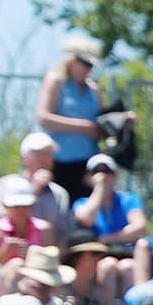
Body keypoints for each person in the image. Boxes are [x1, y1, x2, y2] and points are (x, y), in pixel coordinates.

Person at [35, 38, 113, 200]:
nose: (88, 69)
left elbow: (99, 127)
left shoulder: (94, 90)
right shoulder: (56, 81)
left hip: (87, 166)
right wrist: (84, 127)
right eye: (85, 63)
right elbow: (44, 118)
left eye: (91, 65)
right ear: (71, 60)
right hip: (59, 164)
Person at [0, 134, 72, 244]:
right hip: (10, 253)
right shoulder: (5, 184)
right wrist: (33, 190)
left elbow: (62, 233)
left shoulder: (59, 193)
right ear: (23, 157)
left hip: (45, 254)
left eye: (49, 154)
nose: (44, 159)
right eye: (39, 154)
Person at [70, 154, 146, 253]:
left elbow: (140, 227)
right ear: (88, 178)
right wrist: (99, 188)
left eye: (107, 171)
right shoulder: (81, 203)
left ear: (115, 176)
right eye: (96, 172)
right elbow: (86, 219)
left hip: (125, 252)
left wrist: (107, 239)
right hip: (95, 255)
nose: (102, 176)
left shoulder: (129, 199)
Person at [0, 181, 52, 278]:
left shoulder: (44, 228)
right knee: (16, 264)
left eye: (25, 206)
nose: (20, 210)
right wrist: (4, 252)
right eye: (16, 206)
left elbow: (51, 263)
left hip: (36, 278)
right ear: (6, 207)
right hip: (3, 282)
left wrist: (32, 256)